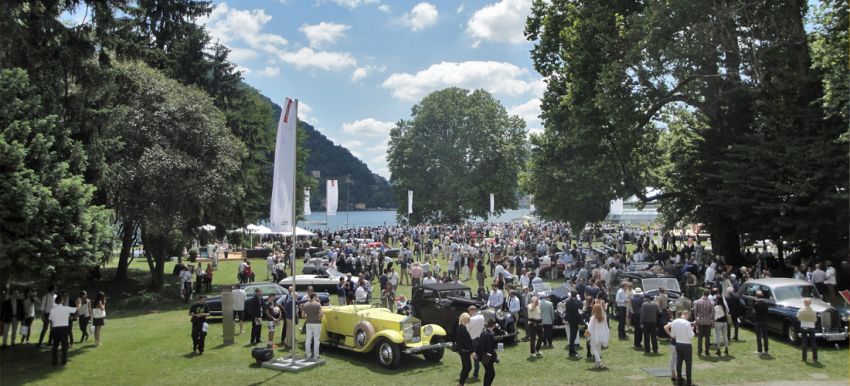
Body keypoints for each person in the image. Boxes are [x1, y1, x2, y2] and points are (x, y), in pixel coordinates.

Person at [665, 310, 695, 386]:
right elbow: (691, 336)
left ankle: (680, 382)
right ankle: (689, 382)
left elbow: (673, 335)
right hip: (686, 345)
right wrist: (692, 329)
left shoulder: (674, 322)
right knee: (688, 365)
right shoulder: (687, 323)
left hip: (678, 344)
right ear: (686, 315)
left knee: (679, 363)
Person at [48, 295, 79, 366]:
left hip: (55, 329)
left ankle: (54, 362)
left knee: (55, 346)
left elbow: (51, 320)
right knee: (64, 346)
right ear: (62, 301)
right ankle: (64, 362)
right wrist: (79, 303)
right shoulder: (65, 308)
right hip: (64, 329)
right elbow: (76, 309)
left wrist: (52, 328)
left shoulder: (53, 309)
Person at [475, 319, 499, 386]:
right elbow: (490, 349)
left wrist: (477, 354)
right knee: (491, 374)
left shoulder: (483, 332)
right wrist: (494, 358)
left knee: (488, 373)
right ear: (494, 326)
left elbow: (478, 345)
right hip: (487, 357)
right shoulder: (490, 335)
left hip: (482, 356)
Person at [586, 303, 609, 369]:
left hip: (594, 335)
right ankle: (597, 364)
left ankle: (598, 360)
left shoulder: (593, 318)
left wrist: (588, 333)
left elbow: (590, 327)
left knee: (593, 349)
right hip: (601, 335)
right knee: (598, 349)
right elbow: (606, 327)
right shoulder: (603, 317)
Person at [302, 293, 323, 360]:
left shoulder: (305, 304)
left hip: (308, 323)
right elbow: (321, 314)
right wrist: (317, 317)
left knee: (308, 339)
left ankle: (308, 355)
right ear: (314, 297)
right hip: (317, 323)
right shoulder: (317, 304)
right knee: (316, 339)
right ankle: (316, 355)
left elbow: (303, 315)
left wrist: (308, 317)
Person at [692, 290, 714, 356]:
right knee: (707, 337)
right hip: (707, 322)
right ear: (708, 295)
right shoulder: (710, 303)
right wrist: (712, 320)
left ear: (703, 294)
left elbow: (695, 311)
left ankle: (699, 351)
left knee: (700, 337)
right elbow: (713, 313)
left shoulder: (698, 302)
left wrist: (696, 319)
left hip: (700, 321)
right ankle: (707, 351)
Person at [455, 313, 474, 386]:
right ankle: (460, 383)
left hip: (464, 351)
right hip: (464, 351)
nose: (469, 320)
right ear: (464, 319)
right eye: (468, 319)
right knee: (467, 367)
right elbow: (465, 341)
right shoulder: (462, 328)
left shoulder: (462, 327)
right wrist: (471, 351)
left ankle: (461, 383)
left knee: (467, 367)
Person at [796, 298, 817, 362]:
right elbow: (815, 320)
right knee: (813, 342)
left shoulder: (800, 310)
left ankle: (804, 358)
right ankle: (814, 358)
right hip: (811, 327)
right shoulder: (814, 311)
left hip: (803, 327)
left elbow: (798, 318)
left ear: (804, 303)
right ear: (810, 303)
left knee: (804, 343)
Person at [563, 290, 583, 358]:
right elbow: (580, 312)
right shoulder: (579, 302)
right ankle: (571, 351)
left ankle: (572, 350)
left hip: (570, 320)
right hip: (576, 320)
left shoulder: (567, 302)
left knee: (572, 335)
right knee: (573, 336)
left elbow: (567, 311)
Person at [467, 305, 485, 379]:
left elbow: (467, 330)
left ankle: (466, 373)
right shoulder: (482, 317)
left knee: (467, 358)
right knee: (476, 358)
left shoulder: (471, 319)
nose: (469, 313)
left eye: (469, 311)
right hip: (479, 339)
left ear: (472, 311)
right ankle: (476, 374)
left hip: (471, 340)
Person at [753, 290, 770, 355]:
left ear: (757, 296)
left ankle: (759, 350)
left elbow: (754, 312)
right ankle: (766, 350)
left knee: (759, 336)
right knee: (765, 336)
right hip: (765, 321)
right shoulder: (766, 304)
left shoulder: (756, 304)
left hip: (758, 321)